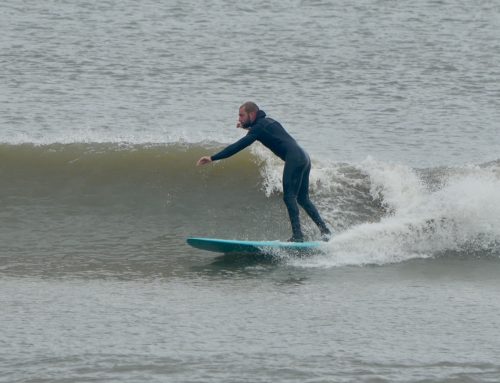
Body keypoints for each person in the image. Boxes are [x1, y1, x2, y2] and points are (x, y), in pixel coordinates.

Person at [197, 102, 331, 242]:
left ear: (252, 114)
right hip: (304, 157)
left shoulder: (259, 128)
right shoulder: (269, 122)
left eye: (241, 115)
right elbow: (260, 130)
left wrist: (213, 157)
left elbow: (238, 146)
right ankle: (325, 232)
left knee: (289, 197)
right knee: (303, 199)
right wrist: (246, 126)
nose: (239, 118)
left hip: (294, 158)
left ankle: (298, 236)